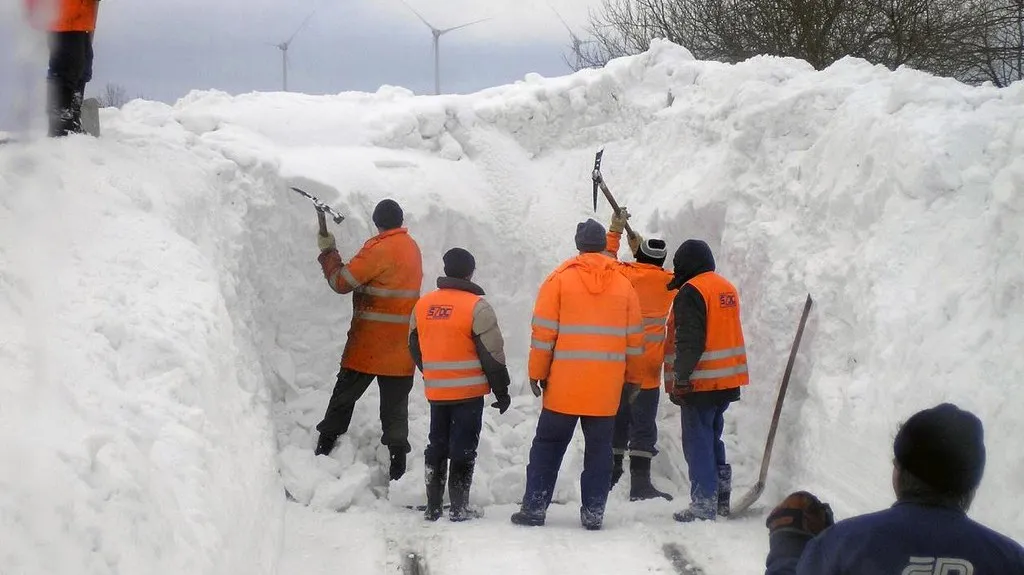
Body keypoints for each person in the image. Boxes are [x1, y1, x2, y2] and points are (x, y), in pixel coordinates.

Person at [765, 403, 1024, 574]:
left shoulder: (841, 546)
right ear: (972, 483)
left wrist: (788, 555)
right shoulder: (1010, 561)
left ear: (898, 471)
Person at [511, 218, 644, 531]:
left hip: (563, 388)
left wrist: (536, 372)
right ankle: (593, 513)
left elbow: (544, 334)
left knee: (548, 446)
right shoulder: (624, 285)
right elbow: (636, 339)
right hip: (606, 389)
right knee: (599, 452)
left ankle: (534, 508)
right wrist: (635, 378)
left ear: (578, 245)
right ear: (602, 245)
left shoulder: (558, 280)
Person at [314, 199, 423, 482]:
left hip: (369, 344)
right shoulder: (411, 247)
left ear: (378, 223)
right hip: (401, 348)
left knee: (343, 399)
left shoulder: (379, 248)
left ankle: (323, 453)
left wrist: (328, 251)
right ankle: (398, 473)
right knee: (395, 411)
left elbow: (341, 282)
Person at [409, 247, 512, 522]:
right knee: (464, 447)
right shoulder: (476, 307)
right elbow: (492, 355)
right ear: (470, 272)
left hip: (437, 391)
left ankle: (433, 507)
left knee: (437, 444)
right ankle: (458, 507)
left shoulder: (423, 305)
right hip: (468, 394)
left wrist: (432, 371)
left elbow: (413, 345)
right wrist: (501, 391)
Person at [663, 239, 748, 522]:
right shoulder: (726, 288)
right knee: (713, 437)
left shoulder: (691, 292)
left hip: (700, 382)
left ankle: (703, 504)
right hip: (726, 381)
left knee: (697, 442)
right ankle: (721, 497)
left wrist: (682, 378)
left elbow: (690, 340)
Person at [602, 207, 676, 501]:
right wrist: (643, 253)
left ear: (638, 256)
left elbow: (605, 261)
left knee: (617, 418)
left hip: (621, 363)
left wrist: (616, 232)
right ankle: (640, 483)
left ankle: (612, 472)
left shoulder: (624, 274)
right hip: (648, 367)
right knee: (643, 424)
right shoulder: (670, 281)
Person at [25, 0, 100, 137]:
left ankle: (73, 119)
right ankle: (60, 126)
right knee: (67, 67)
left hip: (81, 15)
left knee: (82, 66)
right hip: (64, 13)